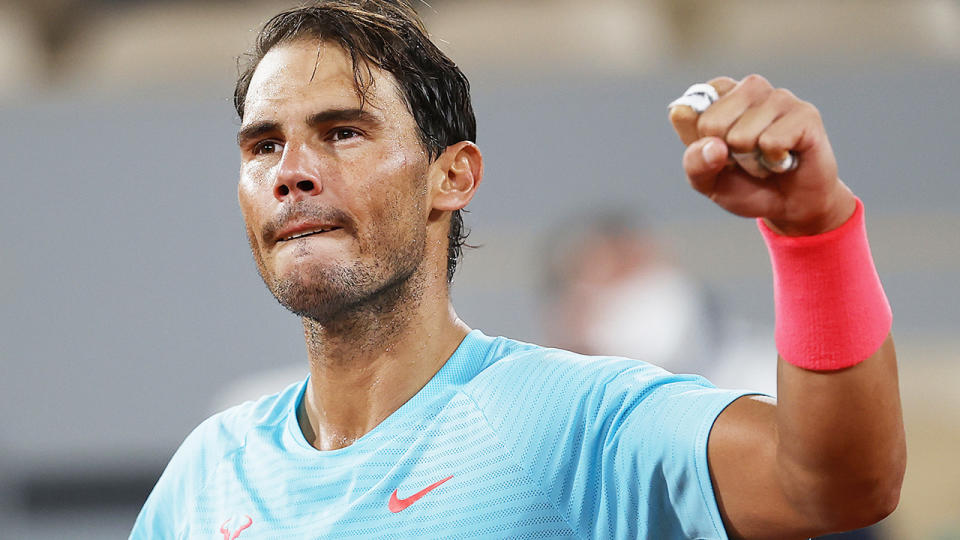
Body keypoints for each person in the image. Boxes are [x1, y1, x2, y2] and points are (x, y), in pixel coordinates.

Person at [130, 1, 906, 538]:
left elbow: (835, 486)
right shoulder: (204, 476)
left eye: (341, 132)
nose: (290, 172)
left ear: (453, 177)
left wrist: (815, 233)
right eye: (264, 145)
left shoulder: (576, 420)